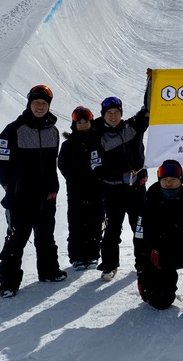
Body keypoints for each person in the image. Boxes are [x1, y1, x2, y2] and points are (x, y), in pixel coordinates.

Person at [0, 84, 66, 298]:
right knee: (16, 241)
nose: (40, 107)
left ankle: (49, 272)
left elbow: (52, 165)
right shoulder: (14, 130)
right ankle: (8, 283)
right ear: (29, 104)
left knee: (46, 237)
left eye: (44, 103)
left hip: (46, 198)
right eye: (36, 103)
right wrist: (9, 186)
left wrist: (53, 187)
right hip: (20, 199)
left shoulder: (53, 131)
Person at [90, 72, 151, 281]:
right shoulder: (97, 137)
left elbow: (149, 109)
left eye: (116, 112)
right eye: (109, 113)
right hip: (113, 190)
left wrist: (151, 82)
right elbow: (96, 167)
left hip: (136, 189)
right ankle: (109, 265)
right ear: (103, 115)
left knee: (141, 227)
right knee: (112, 230)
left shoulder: (132, 127)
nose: (113, 116)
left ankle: (143, 262)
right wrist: (119, 176)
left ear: (121, 113)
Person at [134, 160, 183, 311]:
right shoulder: (148, 203)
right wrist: (142, 270)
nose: (169, 183)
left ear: (181, 180)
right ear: (159, 180)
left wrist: (179, 235)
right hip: (159, 253)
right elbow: (140, 237)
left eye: (173, 180)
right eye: (165, 180)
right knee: (160, 303)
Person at [58, 106, 104, 271]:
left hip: (96, 189)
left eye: (86, 121)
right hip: (76, 190)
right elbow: (62, 164)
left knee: (95, 222)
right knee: (77, 223)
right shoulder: (68, 145)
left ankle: (92, 255)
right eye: (80, 121)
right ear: (74, 123)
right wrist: (72, 177)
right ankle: (77, 257)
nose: (83, 124)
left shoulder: (99, 141)